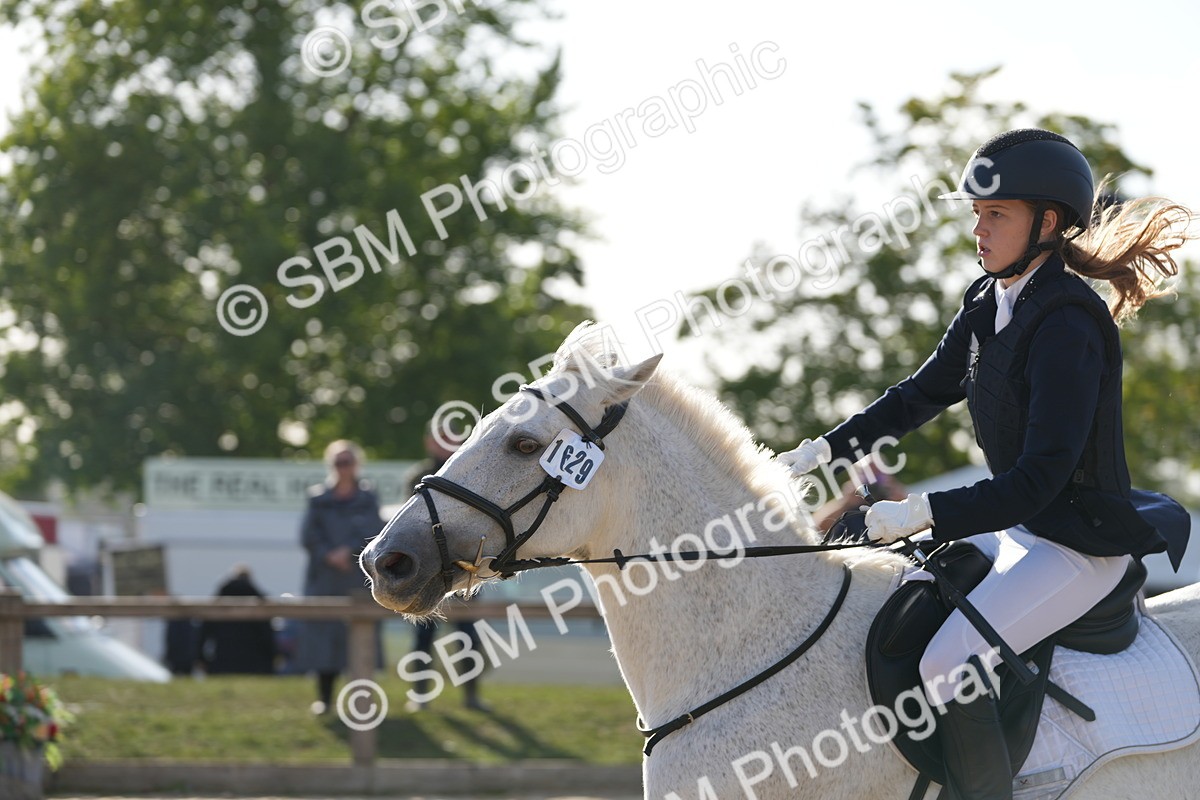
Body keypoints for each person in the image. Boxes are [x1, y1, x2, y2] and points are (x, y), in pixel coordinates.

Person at [777, 128, 1192, 800]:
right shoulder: (984, 303)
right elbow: (917, 396)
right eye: (976, 213)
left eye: (996, 214)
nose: (979, 229)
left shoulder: (1069, 323)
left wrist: (920, 513)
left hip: (1077, 544)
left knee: (947, 665)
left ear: (1048, 223)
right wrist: (826, 449)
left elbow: (1038, 481)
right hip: (1021, 529)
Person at [403, 424, 490, 713]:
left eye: (453, 438)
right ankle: (420, 694)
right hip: (428, 573)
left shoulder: (472, 472)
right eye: (442, 438)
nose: (447, 444)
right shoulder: (418, 477)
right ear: (429, 442)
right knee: (423, 637)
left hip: (462, 570)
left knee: (467, 637)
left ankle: (471, 695)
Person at [298, 440, 382, 714]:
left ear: (357, 465)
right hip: (325, 581)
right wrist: (328, 554)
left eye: (348, 462)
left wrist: (349, 552)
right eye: (338, 462)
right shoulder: (318, 499)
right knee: (324, 641)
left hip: (357, 581)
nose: (343, 468)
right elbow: (308, 535)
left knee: (360, 642)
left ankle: (360, 703)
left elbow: (375, 532)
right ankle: (324, 699)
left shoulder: (368, 498)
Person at [198, 564, 276, 675]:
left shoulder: (219, 600)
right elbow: (268, 637)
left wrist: (201, 659)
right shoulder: (259, 601)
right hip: (254, 663)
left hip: (222, 662)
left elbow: (203, 633)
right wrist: (271, 660)